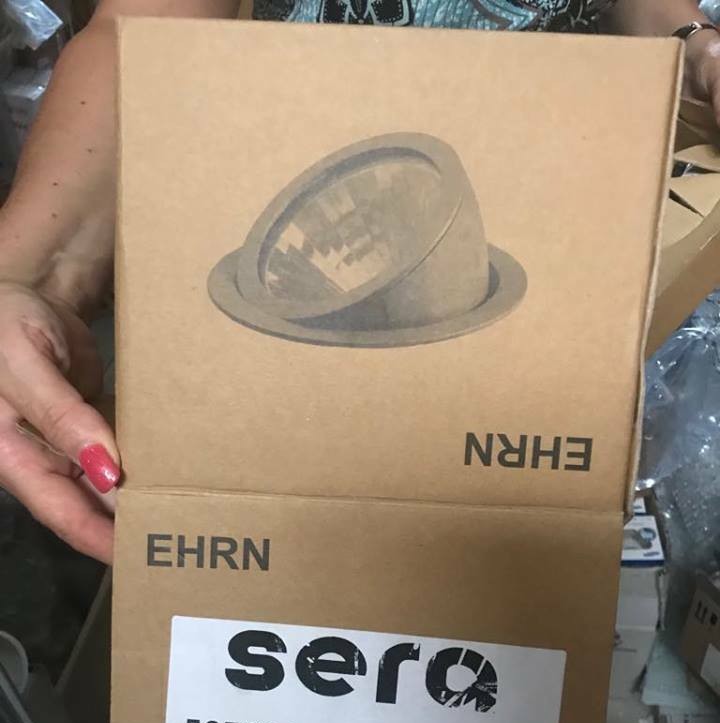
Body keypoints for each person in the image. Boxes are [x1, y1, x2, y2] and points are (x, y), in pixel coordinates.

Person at [0, 0, 718, 563]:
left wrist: (685, 46)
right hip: (297, 239)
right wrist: (32, 277)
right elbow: (142, 24)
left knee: (500, 583)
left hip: (544, 246)